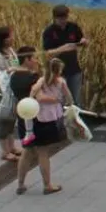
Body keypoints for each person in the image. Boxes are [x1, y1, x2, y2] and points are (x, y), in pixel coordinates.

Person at [17, 55, 71, 195]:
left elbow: (34, 95)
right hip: (46, 120)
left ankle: (20, 183)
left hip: (31, 116)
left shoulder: (41, 80)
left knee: (27, 151)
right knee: (43, 153)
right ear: (59, 71)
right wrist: (59, 100)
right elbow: (69, 98)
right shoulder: (60, 82)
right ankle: (47, 185)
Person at [41, 5, 87, 107]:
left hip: (75, 70)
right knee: (59, 101)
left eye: (65, 18)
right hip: (58, 72)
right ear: (54, 18)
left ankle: (75, 121)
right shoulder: (49, 32)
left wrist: (84, 42)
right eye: (60, 18)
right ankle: (60, 121)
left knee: (76, 100)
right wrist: (63, 48)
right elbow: (48, 53)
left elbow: (81, 41)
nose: (63, 20)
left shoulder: (73, 27)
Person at [0, 26, 21, 162]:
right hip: (3, 93)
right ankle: (5, 151)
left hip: (13, 90)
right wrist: (10, 71)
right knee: (4, 121)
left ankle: (12, 147)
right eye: (9, 36)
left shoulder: (10, 51)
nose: (12, 38)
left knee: (11, 120)